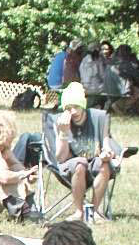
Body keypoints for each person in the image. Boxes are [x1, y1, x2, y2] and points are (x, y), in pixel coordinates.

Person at [46, 84, 121, 221]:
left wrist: (107, 154)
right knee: (79, 164)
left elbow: (106, 145)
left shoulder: (99, 118)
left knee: (104, 164)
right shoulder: (60, 121)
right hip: (69, 167)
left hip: (94, 164)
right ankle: (79, 212)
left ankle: (94, 212)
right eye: (68, 108)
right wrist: (63, 132)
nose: (73, 111)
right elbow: (61, 158)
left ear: (83, 105)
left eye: (76, 106)